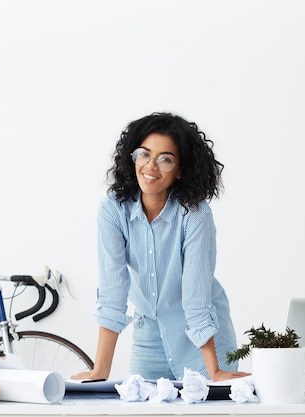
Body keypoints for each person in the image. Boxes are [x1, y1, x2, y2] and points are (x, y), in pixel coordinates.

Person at [72, 112, 250, 382]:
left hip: (202, 339)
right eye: (144, 154)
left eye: (165, 159)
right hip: (149, 335)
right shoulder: (113, 210)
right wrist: (100, 370)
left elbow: (196, 298)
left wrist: (213, 371)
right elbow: (113, 293)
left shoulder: (195, 214)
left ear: (181, 169)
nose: (151, 166)